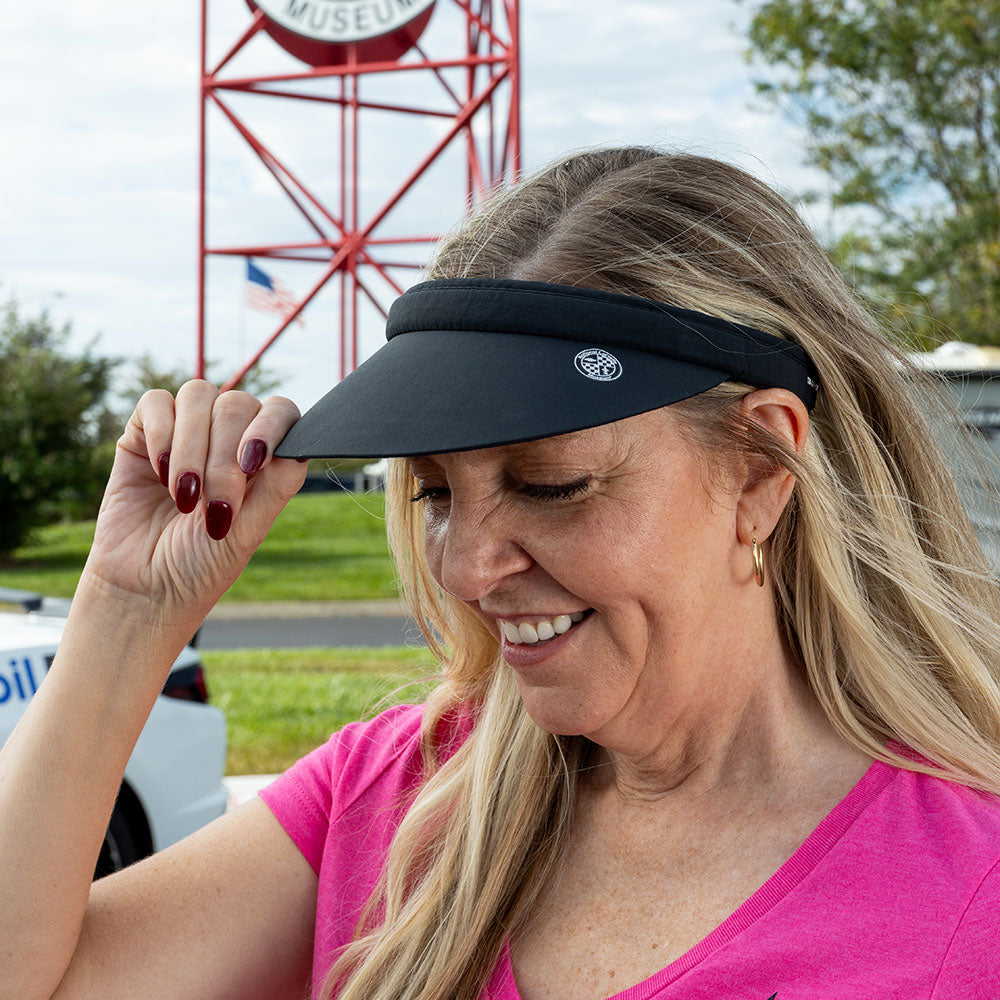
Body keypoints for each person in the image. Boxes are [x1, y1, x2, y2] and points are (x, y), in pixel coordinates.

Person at [2, 147, 1000, 1000]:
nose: (471, 567)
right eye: (435, 491)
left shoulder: (968, 897)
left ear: (757, 472)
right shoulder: (398, 791)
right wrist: (131, 611)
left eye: (550, 482)